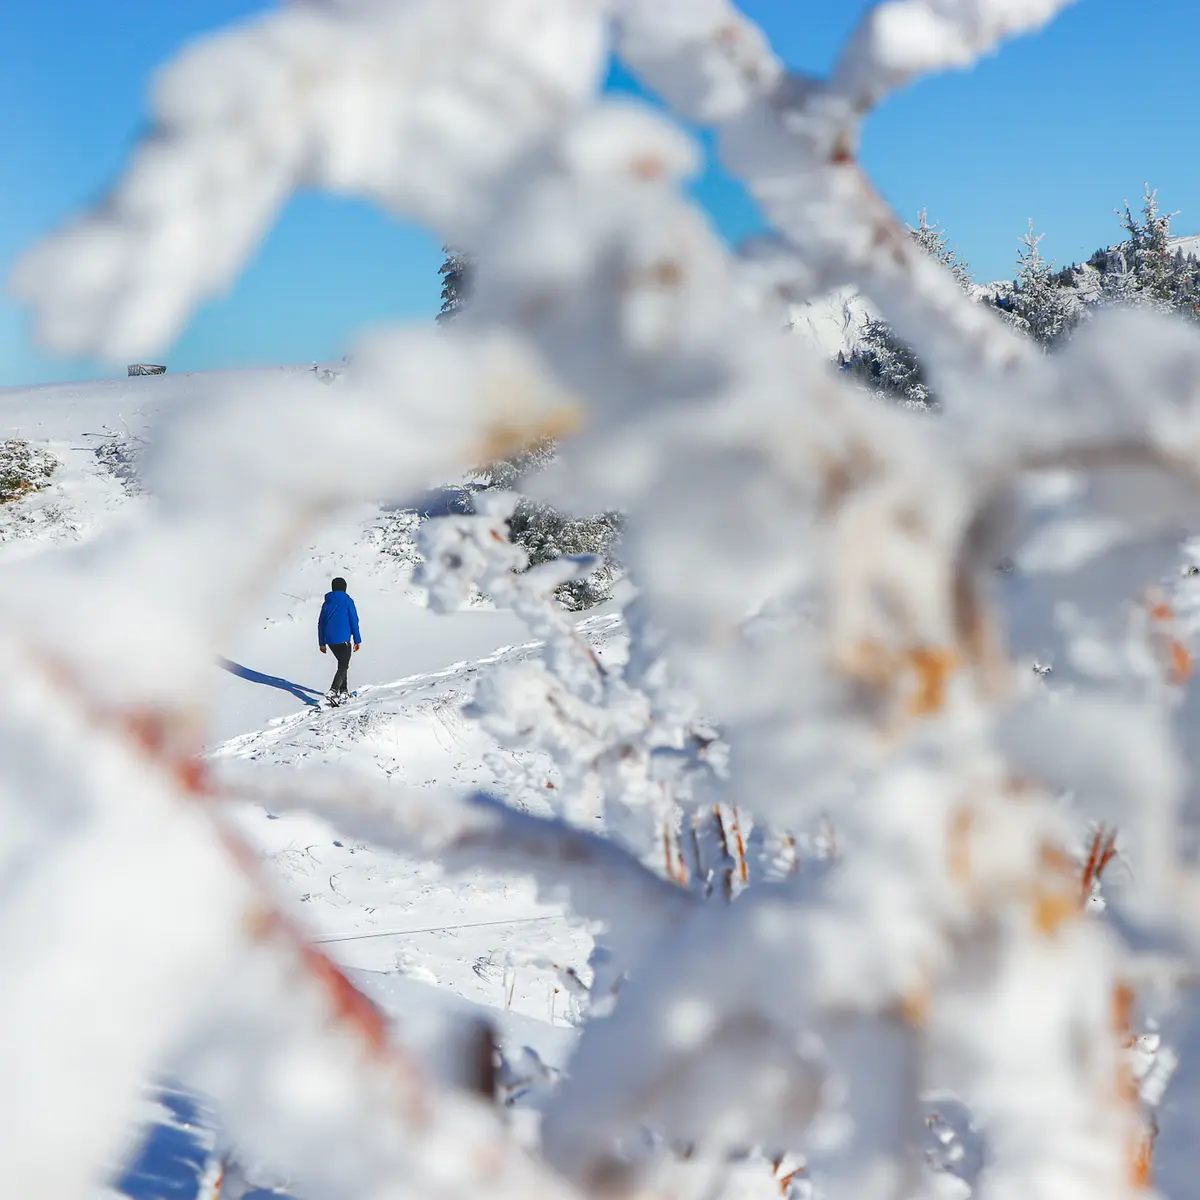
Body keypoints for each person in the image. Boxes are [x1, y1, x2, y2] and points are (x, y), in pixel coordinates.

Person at [318, 577, 361, 705]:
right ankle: (333, 690)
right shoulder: (348, 601)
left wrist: (321, 643)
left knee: (342, 663)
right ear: (344, 587)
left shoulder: (327, 603)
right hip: (343, 640)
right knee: (344, 665)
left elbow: (321, 623)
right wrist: (357, 639)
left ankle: (343, 691)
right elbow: (354, 620)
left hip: (330, 640)